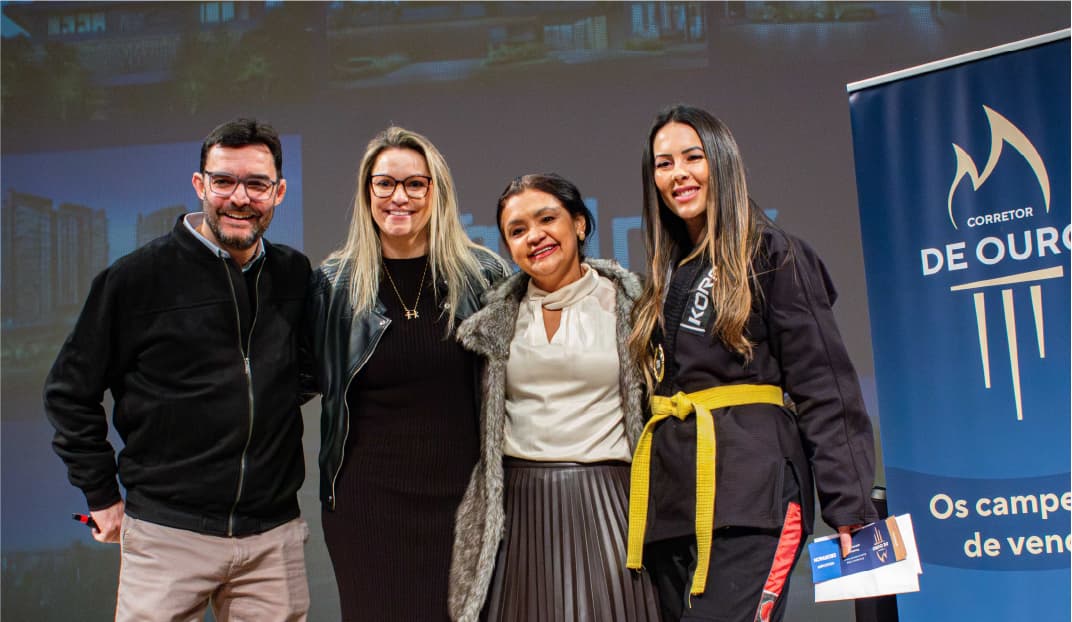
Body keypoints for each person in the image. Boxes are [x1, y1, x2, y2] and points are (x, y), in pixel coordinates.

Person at [44, 118, 313, 621]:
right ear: (200, 185)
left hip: (271, 537)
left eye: (256, 184)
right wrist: (101, 495)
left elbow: (298, 371)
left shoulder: (294, 274)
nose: (239, 198)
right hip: (168, 535)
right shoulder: (135, 279)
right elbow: (68, 392)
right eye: (224, 181)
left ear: (277, 192)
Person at [625, 105, 879, 622]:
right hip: (673, 506)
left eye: (693, 157)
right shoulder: (665, 276)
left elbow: (824, 383)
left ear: (721, 161)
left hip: (753, 495)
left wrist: (849, 503)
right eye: (664, 163)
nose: (679, 175)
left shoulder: (774, 253)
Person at [309, 126, 508, 621]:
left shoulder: (484, 277)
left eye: (415, 184)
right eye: (385, 184)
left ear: (435, 193)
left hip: (465, 503)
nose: (399, 197)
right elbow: (287, 382)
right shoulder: (333, 286)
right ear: (366, 193)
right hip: (368, 507)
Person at [449, 173, 661, 622]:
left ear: (580, 225)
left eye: (547, 218)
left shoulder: (635, 306)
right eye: (518, 230)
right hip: (518, 510)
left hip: (611, 503)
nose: (535, 236)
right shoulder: (494, 320)